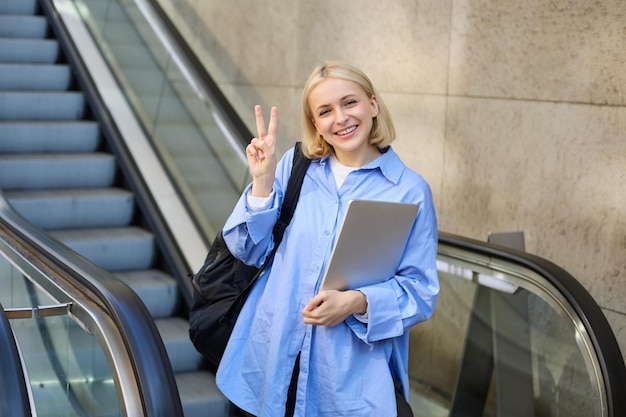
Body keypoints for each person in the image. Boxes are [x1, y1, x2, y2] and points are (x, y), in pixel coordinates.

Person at [215, 61, 439, 417]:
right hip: (268, 368)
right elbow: (248, 250)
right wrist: (261, 181)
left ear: (373, 105)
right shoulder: (294, 167)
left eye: (350, 102)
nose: (341, 118)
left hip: (347, 387)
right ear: (315, 123)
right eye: (325, 111)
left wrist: (356, 302)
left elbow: (421, 290)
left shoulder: (409, 190)